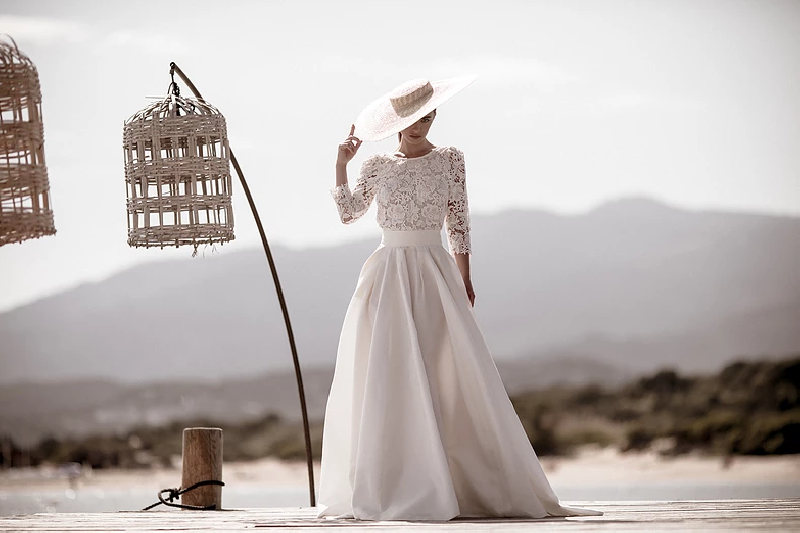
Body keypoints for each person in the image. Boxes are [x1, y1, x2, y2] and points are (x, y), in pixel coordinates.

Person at [318, 77, 601, 521]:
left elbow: (459, 223)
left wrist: (465, 279)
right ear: (397, 122)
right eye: (412, 118)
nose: (420, 124)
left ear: (434, 117)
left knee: (446, 371)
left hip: (435, 272)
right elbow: (349, 213)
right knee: (389, 373)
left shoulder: (451, 160)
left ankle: (456, 481)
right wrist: (341, 164)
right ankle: (397, 481)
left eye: (427, 116)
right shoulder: (375, 165)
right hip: (387, 274)